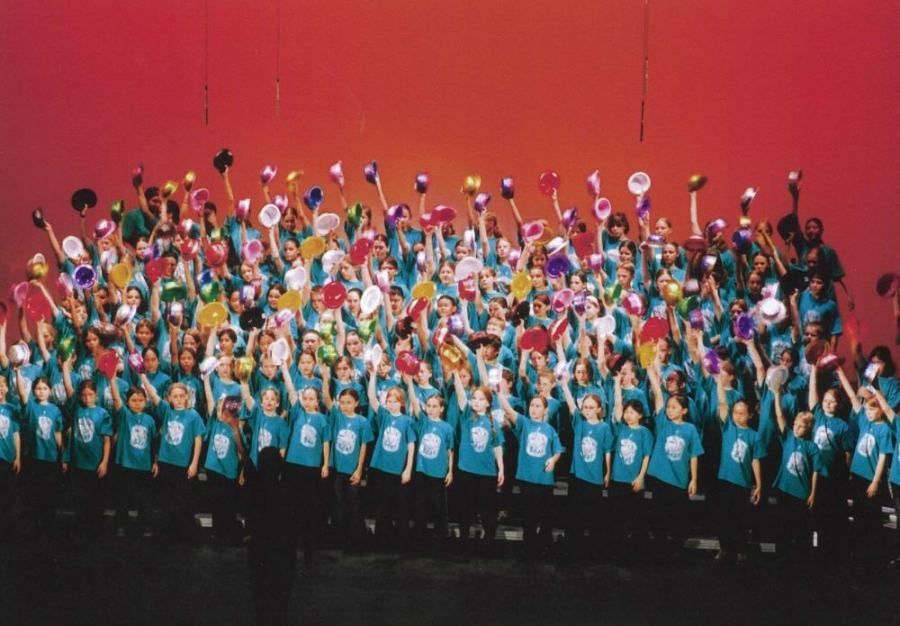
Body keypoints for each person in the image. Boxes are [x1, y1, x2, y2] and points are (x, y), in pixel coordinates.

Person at [498, 378, 562, 560]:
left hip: (544, 480)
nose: (534, 409)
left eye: (538, 406)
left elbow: (558, 449)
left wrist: (553, 459)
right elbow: (508, 410)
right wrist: (499, 393)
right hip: (527, 478)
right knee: (529, 516)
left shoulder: (549, 429)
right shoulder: (524, 424)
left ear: (545, 410)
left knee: (544, 515)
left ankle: (542, 547)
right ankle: (528, 549)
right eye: (532, 406)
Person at [142, 379, 205, 540]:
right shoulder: (167, 411)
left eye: (181, 396)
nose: (178, 399)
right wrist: (142, 375)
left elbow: (198, 440)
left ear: (186, 397)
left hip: (183, 464)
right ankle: (167, 535)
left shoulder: (193, 415)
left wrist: (194, 463)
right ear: (169, 398)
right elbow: (153, 394)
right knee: (166, 501)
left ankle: (183, 535)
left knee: (183, 501)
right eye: (174, 396)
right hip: (166, 462)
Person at [560, 374, 613, 561]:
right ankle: (572, 552)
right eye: (586, 407)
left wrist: (608, 472)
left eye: (592, 407)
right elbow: (570, 404)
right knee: (574, 517)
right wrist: (564, 385)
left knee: (594, 517)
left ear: (599, 409)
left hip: (595, 478)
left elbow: (607, 451)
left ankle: (592, 553)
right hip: (578, 477)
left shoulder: (604, 428)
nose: (588, 410)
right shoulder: (579, 423)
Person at [451, 373, 504, 552]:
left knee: (487, 510)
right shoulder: (467, 415)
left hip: (487, 472)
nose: (476, 401)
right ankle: (464, 540)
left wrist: (501, 469)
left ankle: (489, 542)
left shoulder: (493, 423)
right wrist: (455, 375)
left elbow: (497, 447)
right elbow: (460, 394)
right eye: (474, 398)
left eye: (480, 399)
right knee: (465, 508)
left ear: (488, 403)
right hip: (466, 470)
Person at [714, 382, 765, 564]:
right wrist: (718, 382)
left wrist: (758, 484)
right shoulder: (728, 427)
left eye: (742, 413)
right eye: (735, 412)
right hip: (725, 480)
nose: (737, 416)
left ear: (750, 415)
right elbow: (722, 404)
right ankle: (724, 549)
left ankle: (741, 551)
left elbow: (755, 460)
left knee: (739, 520)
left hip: (742, 483)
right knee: (723, 517)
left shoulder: (754, 436)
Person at [772, 394, 821, 562]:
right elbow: (779, 416)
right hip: (784, 489)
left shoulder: (812, 447)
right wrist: (777, 394)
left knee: (800, 528)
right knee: (782, 526)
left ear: (808, 428)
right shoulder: (788, 437)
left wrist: (813, 493)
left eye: (801, 426)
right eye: (795, 424)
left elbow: (815, 470)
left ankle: (800, 560)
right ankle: (782, 557)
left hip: (801, 493)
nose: (796, 428)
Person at [109, 373, 157, 538]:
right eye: (133, 400)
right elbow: (116, 399)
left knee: (145, 499)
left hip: (144, 465)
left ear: (146, 401)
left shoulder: (150, 420)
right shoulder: (124, 416)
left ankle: (146, 526)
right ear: (127, 402)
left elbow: (153, 443)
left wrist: (155, 462)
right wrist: (112, 379)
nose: (137, 404)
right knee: (122, 498)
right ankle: (121, 525)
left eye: (140, 400)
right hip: (125, 464)